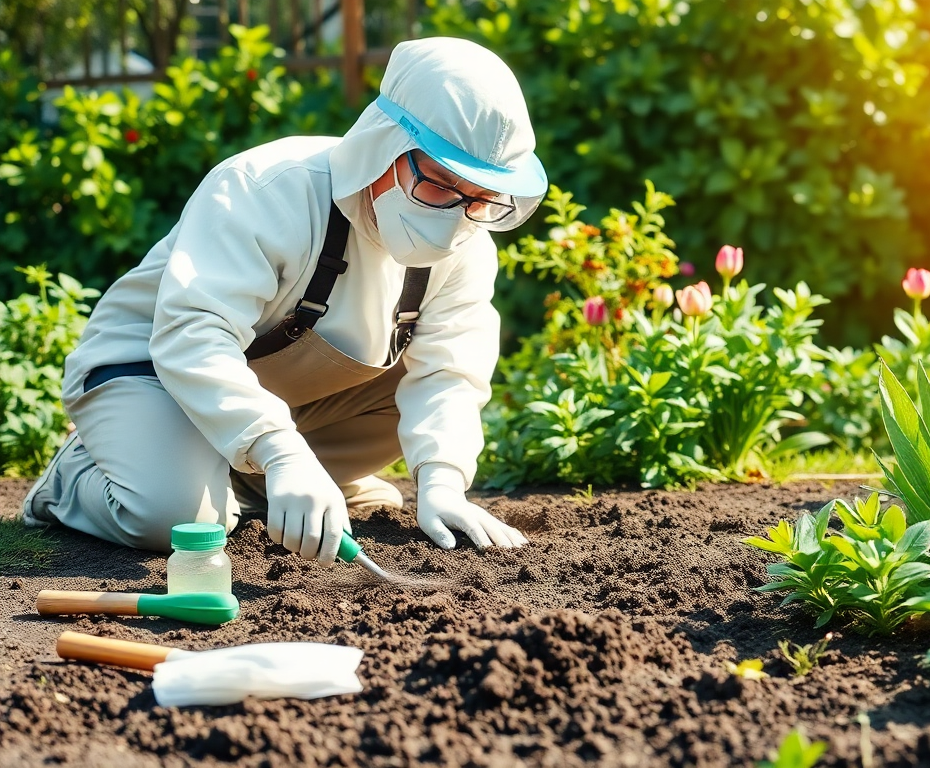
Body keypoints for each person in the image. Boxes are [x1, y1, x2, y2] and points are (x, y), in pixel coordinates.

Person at [22, 38, 542, 564]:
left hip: (279, 392)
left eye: (480, 196)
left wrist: (443, 481)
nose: (457, 214)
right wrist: (281, 452)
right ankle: (76, 477)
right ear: (384, 146)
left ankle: (246, 484)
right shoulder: (265, 189)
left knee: (410, 391)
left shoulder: (467, 242)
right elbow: (193, 335)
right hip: (151, 371)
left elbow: (449, 372)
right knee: (177, 520)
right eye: (439, 185)